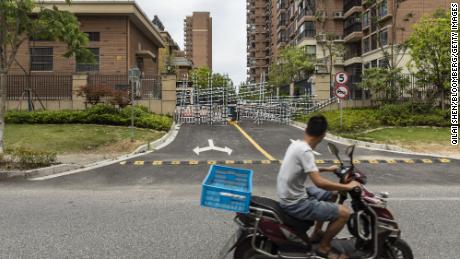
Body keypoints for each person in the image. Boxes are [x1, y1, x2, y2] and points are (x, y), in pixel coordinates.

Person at [277, 115, 360, 259]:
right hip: (296, 202)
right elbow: (319, 182)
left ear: (306, 129)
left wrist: (328, 169)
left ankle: (317, 233)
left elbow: (307, 169)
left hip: (290, 194)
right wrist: (347, 187)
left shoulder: (296, 145)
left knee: (333, 194)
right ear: (323, 135)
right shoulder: (306, 152)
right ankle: (324, 247)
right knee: (344, 213)